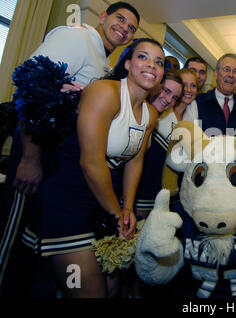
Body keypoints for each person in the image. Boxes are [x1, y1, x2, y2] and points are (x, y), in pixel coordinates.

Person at [0, 1, 140, 296]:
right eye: (120, 19)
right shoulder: (77, 37)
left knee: (36, 244)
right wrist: (30, 157)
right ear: (102, 16)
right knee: (12, 241)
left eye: (131, 28)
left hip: (61, 165)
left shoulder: (104, 64)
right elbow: (31, 86)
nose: (124, 28)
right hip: (38, 152)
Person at [22, 38, 165, 298]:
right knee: (87, 292)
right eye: (143, 57)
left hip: (105, 202)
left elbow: (135, 161)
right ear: (129, 63)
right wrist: (116, 215)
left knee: (111, 288)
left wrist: (128, 208)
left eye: (159, 62)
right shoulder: (105, 92)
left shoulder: (150, 114)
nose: (151, 65)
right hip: (69, 201)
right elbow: (90, 162)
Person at [130, 71, 184, 218]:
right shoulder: (133, 113)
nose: (168, 100)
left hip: (148, 201)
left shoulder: (164, 123)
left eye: (175, 98)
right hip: (125, 198)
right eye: (166, 91)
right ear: (155, 86)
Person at [183, 53, 236, 136]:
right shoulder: (197, 102)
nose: (231, 75)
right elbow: (190, 139)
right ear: (216, 74)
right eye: (226, 69)